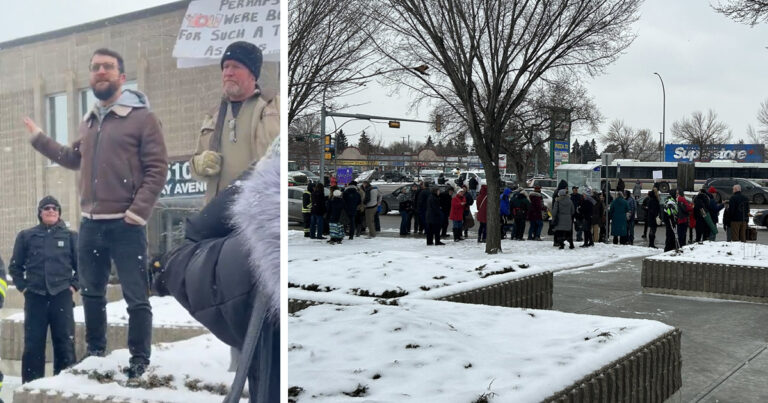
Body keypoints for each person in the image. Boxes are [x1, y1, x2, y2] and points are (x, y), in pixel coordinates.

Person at [24, 48, 167, 378]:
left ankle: (139, 359)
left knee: (136, 297)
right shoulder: (88, 122)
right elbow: (72, 158)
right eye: (95, 67)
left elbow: (157, 169)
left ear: (121, 76)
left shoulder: (142, 118)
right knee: (91, 294)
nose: (100, 71)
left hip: (127, 224)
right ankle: (95, 352)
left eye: (107, 67)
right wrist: (39, 138)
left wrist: (137, 213)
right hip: (91, 224)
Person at [155, 142, 279, 403]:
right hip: (236, 218)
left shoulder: (257, 245)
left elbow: (209, 269)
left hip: (239, 224)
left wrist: (170, 264)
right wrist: (198, 164)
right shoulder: (216, 121)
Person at [189, 41, 279, 204]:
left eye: (236, 67)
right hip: (219, 209)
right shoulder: (213, 116)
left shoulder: (272, 108)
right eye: (225, 67)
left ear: (252, 75)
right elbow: (195, 163)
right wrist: (200, 163)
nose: (228, 73)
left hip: (259, 207)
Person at [9, 196, 77, 383]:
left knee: (65, 343)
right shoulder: (26, 236)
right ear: (40, 213)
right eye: (46, 208)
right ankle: (31, 386)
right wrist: (24, 288)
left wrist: (73, 286)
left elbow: (83, 268)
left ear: (59, 212)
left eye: (55, 208)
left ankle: (65, 385)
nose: (51, 210)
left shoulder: (70, 236)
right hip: (35, 297)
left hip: (61, 296)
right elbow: (15, 267)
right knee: (33, 344)